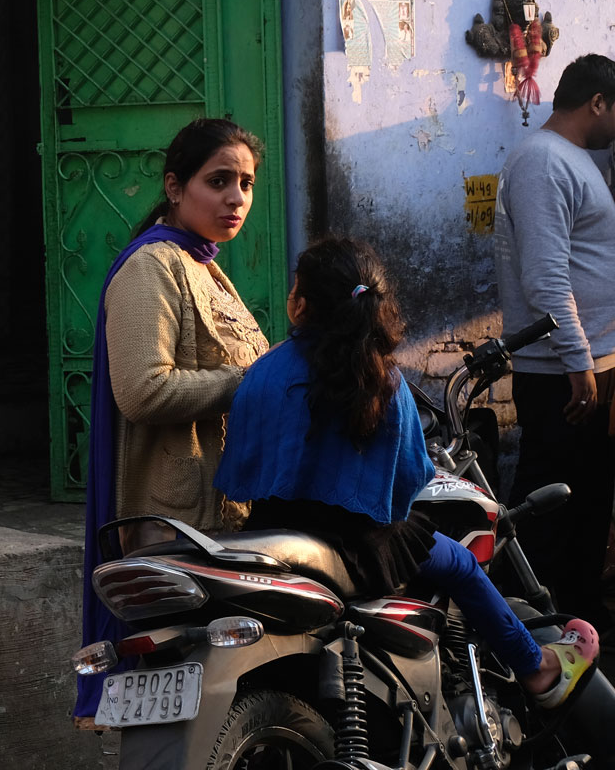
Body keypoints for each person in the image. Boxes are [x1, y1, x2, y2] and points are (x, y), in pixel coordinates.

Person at [218, 236, 597, 706]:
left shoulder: (263, 371)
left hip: (270, 534)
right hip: (359, 548)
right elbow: (411, 485)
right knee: (459, 561)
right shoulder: (382, 380)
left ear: (300, 304)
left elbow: (240, 470)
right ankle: (537, 668)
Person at [75, 117, 272, 719]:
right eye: (219, 181)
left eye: (246, 182)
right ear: (174, 186)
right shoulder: (154, 267)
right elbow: (142, 390)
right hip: (174, 525)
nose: (236, 197)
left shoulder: (202, 265)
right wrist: (251, 383)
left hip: (218, 517)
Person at [495, 52, 615, 642]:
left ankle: (580, 617)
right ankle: (531, 629)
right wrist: (577, 361)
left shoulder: (578, 160)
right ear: (597, 103)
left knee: (588, 497)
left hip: (585, 362)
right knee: (550, 505)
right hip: (563, 370)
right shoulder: (543, 161)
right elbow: (545, 276)